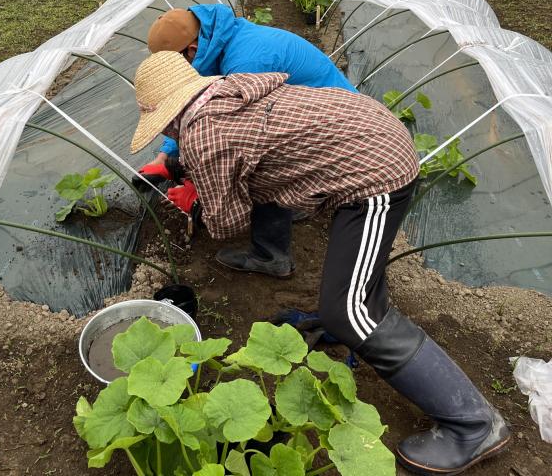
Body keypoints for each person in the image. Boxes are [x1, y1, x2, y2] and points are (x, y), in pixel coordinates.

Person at [129, 51, 512, 476]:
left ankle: (475, 425)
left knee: (347, 311)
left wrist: (195, 199)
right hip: (373, 137)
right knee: (356, 293)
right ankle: (372, 316)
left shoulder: (205, 134)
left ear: (168, 116)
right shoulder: (227, 91)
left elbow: (229, 222)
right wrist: (187, 165)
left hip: (375, 174)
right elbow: (250, 156)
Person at [138, 4, 356, 279]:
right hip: (324, 119)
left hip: (335, 131)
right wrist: (166, 155)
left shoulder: (246, 61)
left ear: (191, 51)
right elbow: (191, 104)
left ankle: (271, 256)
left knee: (260, 165)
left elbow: (234, 140)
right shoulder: (219, 40)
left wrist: (198, 195)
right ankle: (300, 201)